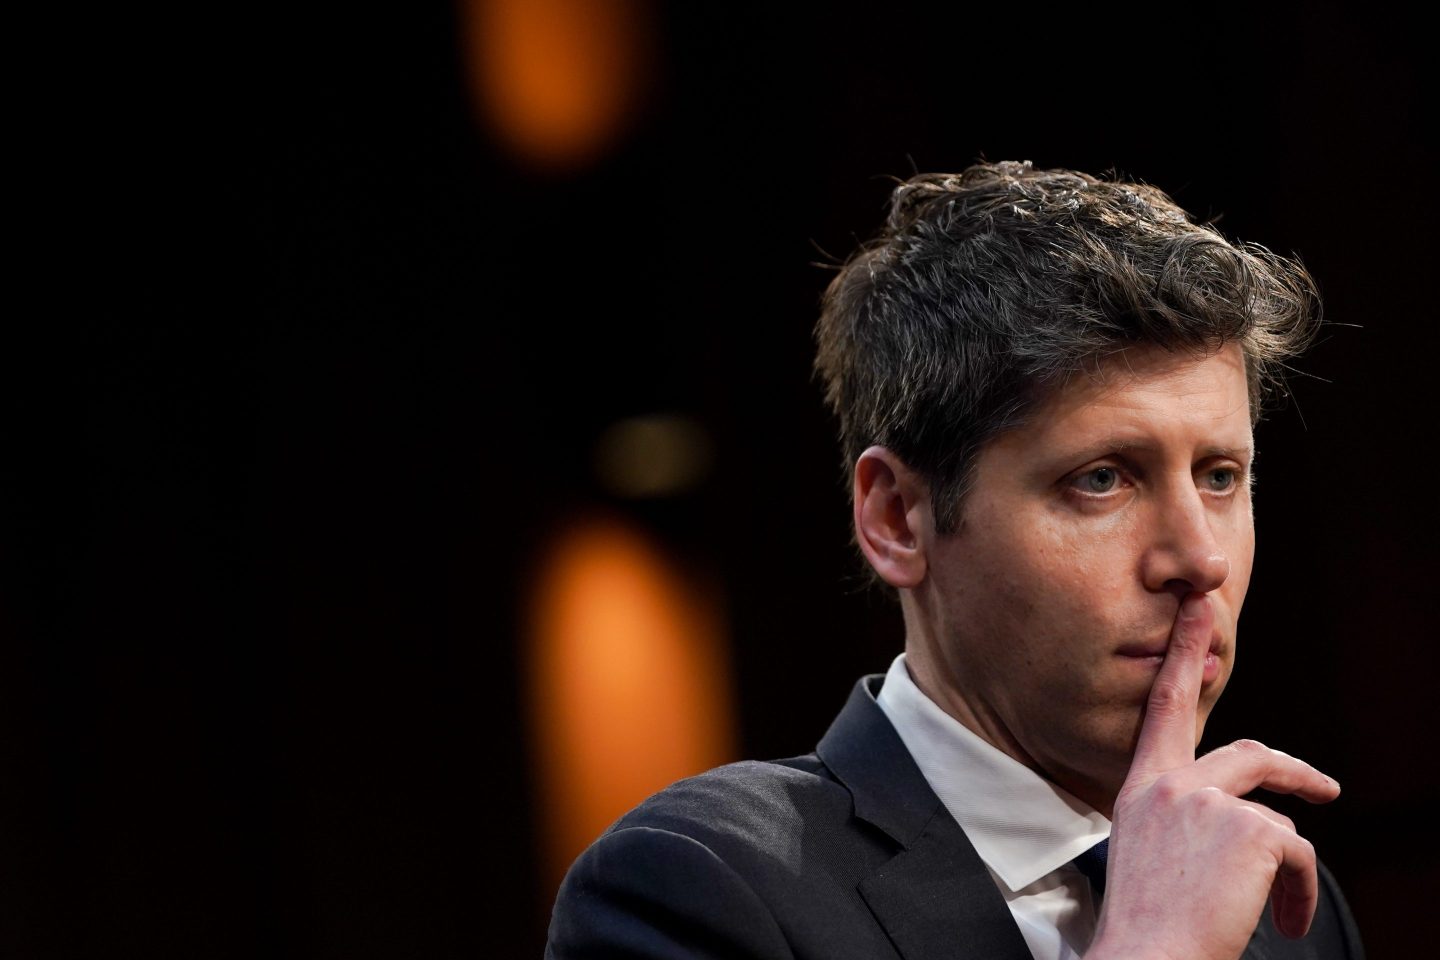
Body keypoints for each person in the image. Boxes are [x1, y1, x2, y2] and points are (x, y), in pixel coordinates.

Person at [544, 161, 1364, 959]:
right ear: (899, 518)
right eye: (1102, 480)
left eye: (1220, 476)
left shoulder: (1283, 904)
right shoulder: (698, 887)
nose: (1199, 559)